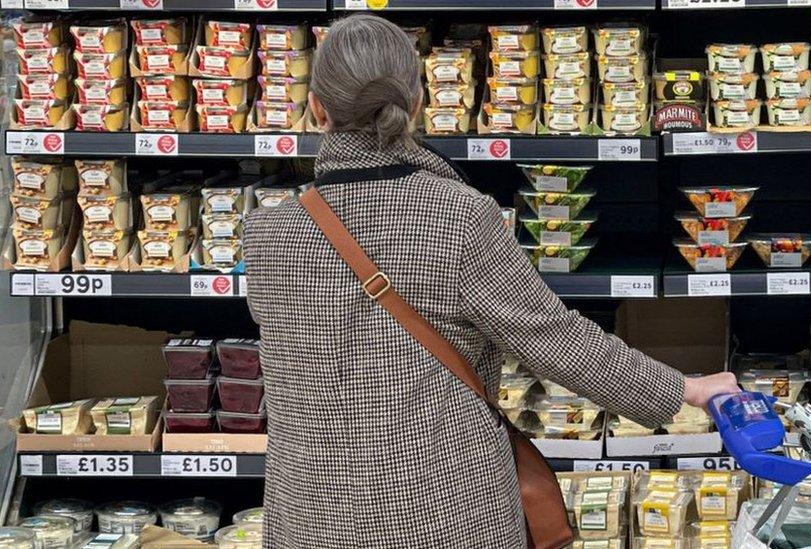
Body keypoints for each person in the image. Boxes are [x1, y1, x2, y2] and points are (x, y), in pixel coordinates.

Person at [242, 13, 739, 548]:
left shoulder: (266, 231)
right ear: (415, 104)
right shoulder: (458, 217)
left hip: (309, 518)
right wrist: (686, 389)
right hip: (442, 511)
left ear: (316, 108)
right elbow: (554, 341)